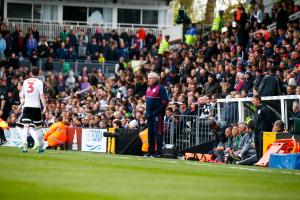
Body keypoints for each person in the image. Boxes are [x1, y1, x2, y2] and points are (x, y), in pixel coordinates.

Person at [18, 67, 47, 153]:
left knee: (25, 127)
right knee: (38, 128)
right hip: (36, 107)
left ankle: (24, 146)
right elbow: (41, 95)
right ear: (38, 73)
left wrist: (20, 105)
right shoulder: (39, 82)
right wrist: (44, 106)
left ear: (31, 73)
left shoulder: (25, 82)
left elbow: (23, 96)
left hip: (27, 107)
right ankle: (40, 147)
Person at [145, 72, 169, 157]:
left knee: (158, 133)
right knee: (150, 133)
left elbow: (165, 102)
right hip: (149, 115)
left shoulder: (160, 88)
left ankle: (159, 152)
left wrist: (156, 112)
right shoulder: (148, 88)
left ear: (155, 79)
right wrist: (147, 112)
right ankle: (150, 151)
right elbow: (147, 101)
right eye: (148, 78)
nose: (148, 80)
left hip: (158, 115)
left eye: (150, 78)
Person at [252, 95, 273, 160]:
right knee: (257, 148)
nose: (252, 102)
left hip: (262, 133)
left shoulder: (264, 109)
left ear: (258, 100)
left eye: (254, 101)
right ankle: (258, 161)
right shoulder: (257, 110)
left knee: (261, 148)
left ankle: (262, 161)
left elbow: (268, 121)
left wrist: (264, 130)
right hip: (256, 132)